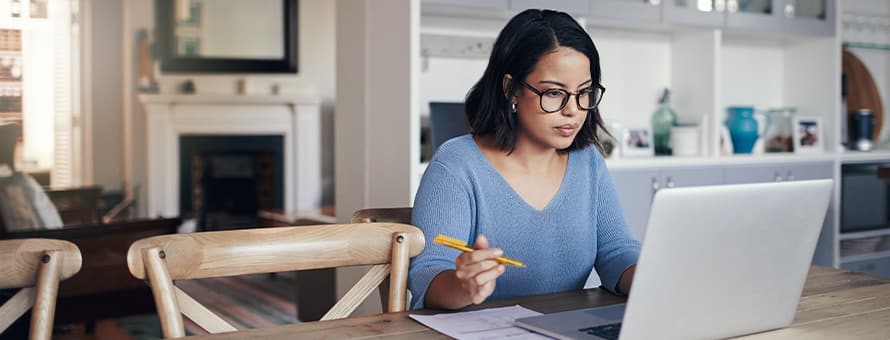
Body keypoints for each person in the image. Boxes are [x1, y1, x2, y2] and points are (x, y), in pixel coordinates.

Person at [409, 9, 641, 310]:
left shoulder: (588, 162)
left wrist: (655, 279)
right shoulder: (457, 165)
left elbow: (616, 251)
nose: (573, 109)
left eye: (584, 92)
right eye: (555, 93)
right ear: (512, 89)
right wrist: (463, 285)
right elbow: (427, 275)